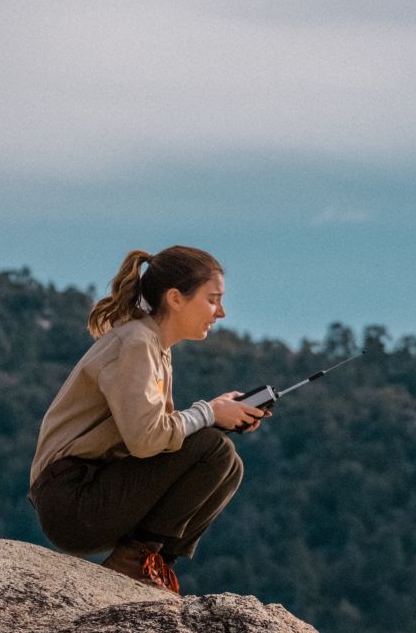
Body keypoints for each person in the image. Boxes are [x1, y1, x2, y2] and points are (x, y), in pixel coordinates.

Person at [27, 246, 268, 594]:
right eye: (212, 300)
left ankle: (152, 565)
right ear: (175, 298)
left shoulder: (154, 345)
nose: (221, 312)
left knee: (228, 465)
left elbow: (154, 437)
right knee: (214, 450)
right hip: (71, 501)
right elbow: (145, 439)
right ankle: (133, 563)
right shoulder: (136, 343)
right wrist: (209, 413)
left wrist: (216, 419)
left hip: (93, 490)